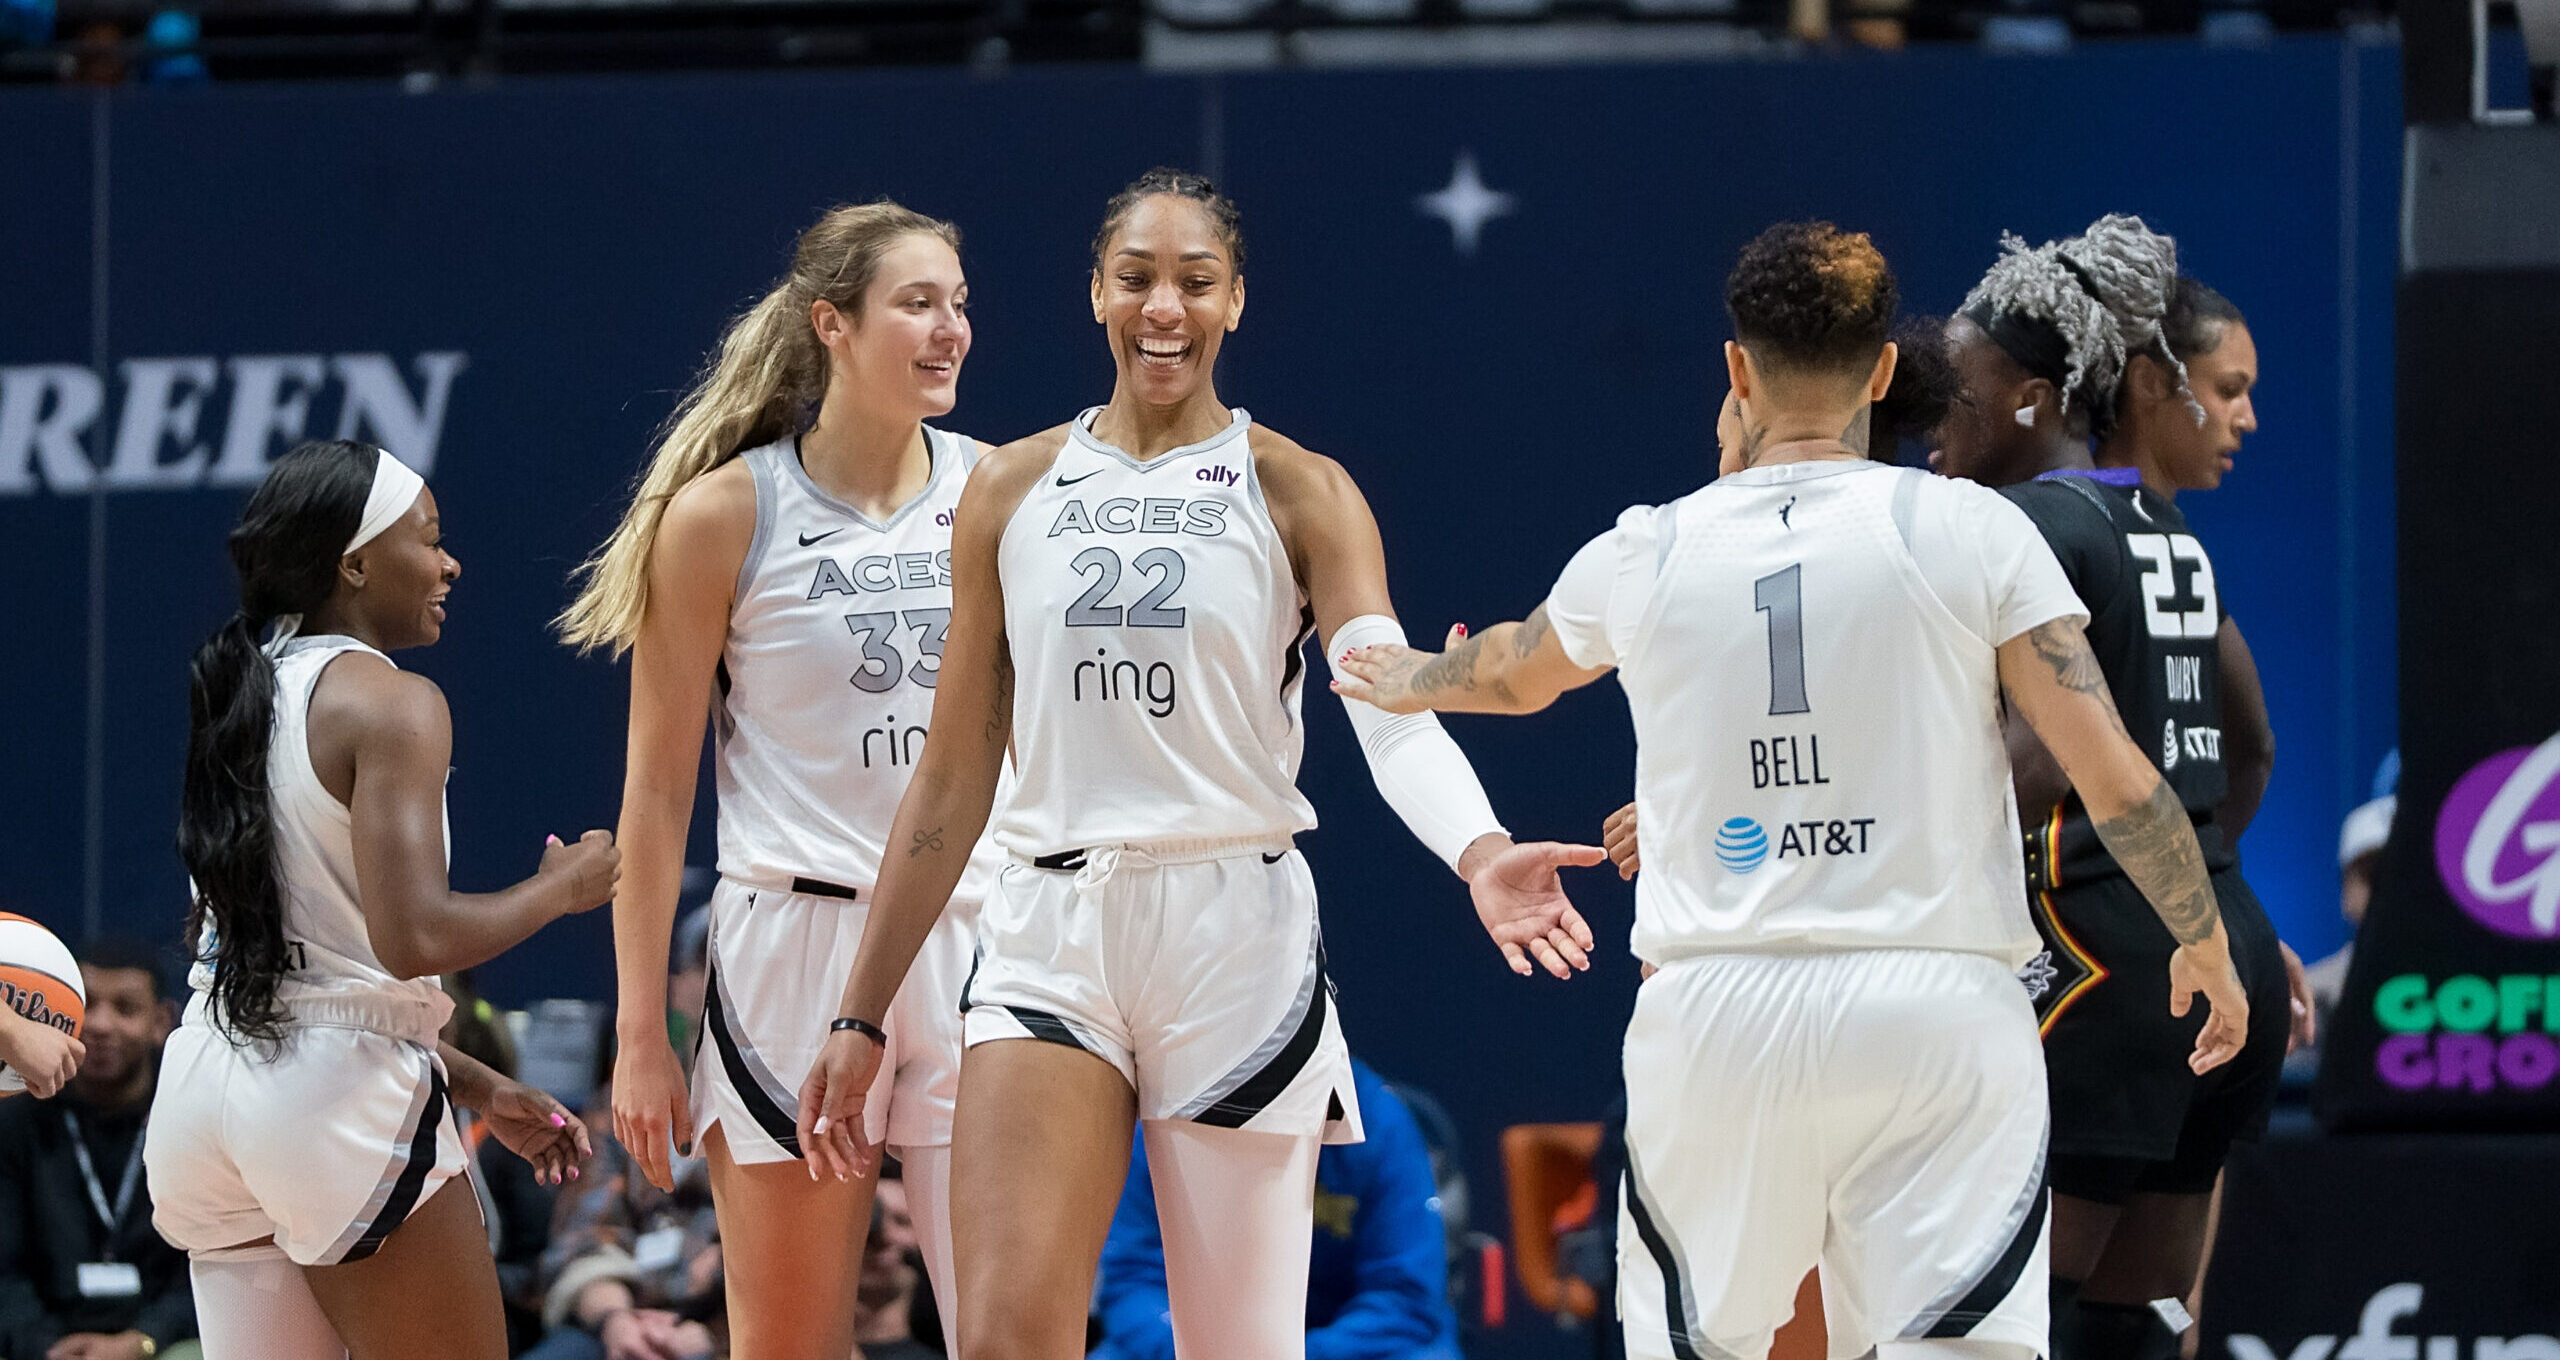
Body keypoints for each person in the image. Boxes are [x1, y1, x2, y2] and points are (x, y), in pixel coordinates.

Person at [1336, 221, 2249, 1360]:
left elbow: (1511, 674)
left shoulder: (1650, 546)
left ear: (1734, 370)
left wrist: (1400, 670)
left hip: (1718, 1012)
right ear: (1881, 372)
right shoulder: (1972, 530)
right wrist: (2202, 942)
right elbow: (2115, 774)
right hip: (1938, 1012)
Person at [797, 167, 1598, 1360]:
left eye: (1193, 281)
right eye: (1136, 279)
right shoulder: (1009, 488)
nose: (1163, 306)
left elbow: (1385, 705)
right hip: (1051, 923)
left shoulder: (1303, 488)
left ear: (1236, 302)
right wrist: (860, 1010)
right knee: (1006, 1336)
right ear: (1095, 295)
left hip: (1234, 926)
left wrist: (1478, 850)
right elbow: (953, 775)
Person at [557, 200, 989, 1360]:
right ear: (831, 324)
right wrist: (642, 1032)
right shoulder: (722, 514)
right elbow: (654, 801)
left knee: (1010, 1337)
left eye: (959, 303)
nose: (949, 328)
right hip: (789, 944)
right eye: (917, 303)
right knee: (789, 1345)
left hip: (977, 938)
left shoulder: (1003, 492)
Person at [145, 438, 611, 1360]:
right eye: (430, 538)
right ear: (354, 563)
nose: (449, 561)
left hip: (204, 1093)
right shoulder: (391, 701)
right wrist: (560, 889)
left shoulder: (240, 688)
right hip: (328, 1108)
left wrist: (472, 1082)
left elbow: (286, 968)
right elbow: (416, 937)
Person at [1943, 228, 2293, 1360]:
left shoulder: (2028, 523)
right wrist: (2197, 878)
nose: (1936, 423)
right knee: (2140, 1320)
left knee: (2006, 1319)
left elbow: (2039, 756)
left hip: (2107, 965)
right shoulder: (2163, 526)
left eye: (1959, 394)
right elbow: (2252, 745)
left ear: (2033, 397)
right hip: (2226, 937)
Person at [1094, 1057, 1462, 1360]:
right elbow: (1134, 1279)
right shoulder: (1167, 1120)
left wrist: (1298, 1356)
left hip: (1346, 1345)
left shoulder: (1382, 1123)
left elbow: (1404, 1296)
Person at [0, 938, 195, 1360]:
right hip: (42, 1340)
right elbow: (4, 1267)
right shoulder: (15, 1119)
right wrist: (43, 1346)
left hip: (158, 1340)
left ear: (162, 1022)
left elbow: (203, 1264)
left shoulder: (189, 1113)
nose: (101, 1024)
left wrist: (143, 1339)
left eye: (125, 1008)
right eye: (85, 1005)